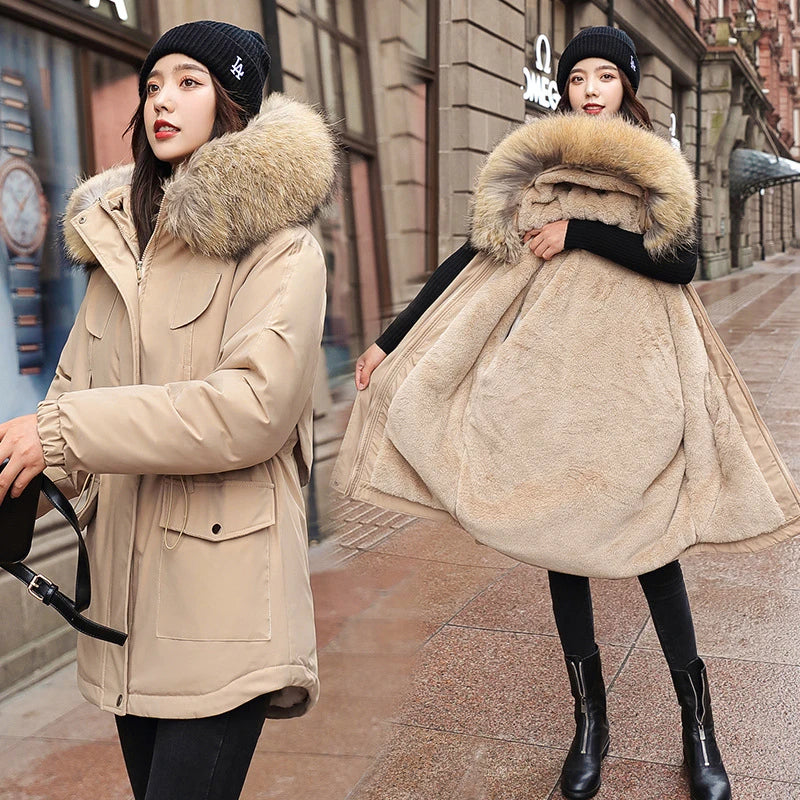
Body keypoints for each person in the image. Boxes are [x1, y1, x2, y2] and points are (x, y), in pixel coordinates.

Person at [334, 27, 799, 800]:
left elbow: (681, 262)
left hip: (636, 383)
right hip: (555, 389)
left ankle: (700, 729)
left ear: (626, 87)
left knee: (655, 549)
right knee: (556, 538)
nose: (588, 88)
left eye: (604, 77)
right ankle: (590, 724)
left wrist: (581, 232)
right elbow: (472, 257)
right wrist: (391, 339)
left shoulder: (653, 166)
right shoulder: (541, 170)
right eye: (577, 76)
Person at [0, 20, 336, 800]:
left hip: (224, 600)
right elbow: (71, 395)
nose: (161, 99)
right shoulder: (117, 244)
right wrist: (34, 461)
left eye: (189, 82)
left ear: (233, 102)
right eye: (153, 83)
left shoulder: (280, 247)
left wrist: (63, 431)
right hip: (125, 606)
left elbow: (251, 408)